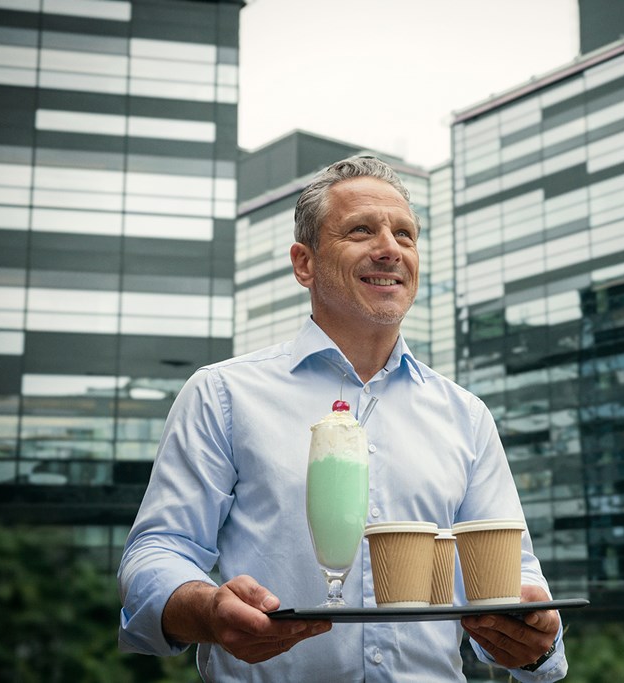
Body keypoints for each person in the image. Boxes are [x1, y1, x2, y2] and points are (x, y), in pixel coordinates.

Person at [117, 156, 568, 681]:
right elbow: (156, 553)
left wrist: (534, 644)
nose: (390, 249)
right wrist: (208, 611)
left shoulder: (466, 416)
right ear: (304, 263)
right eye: (361, 230)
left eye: (405, 234)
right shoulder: (222, 394)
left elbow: (511, 578)